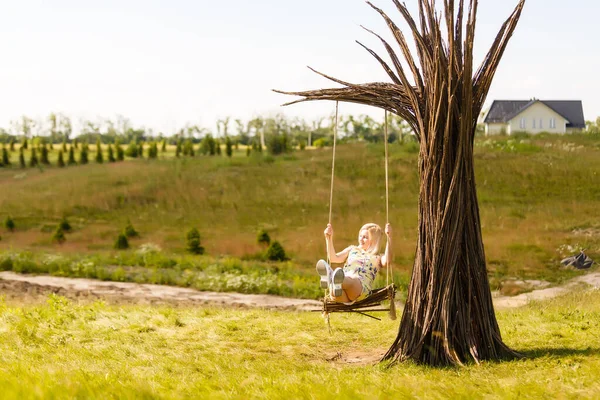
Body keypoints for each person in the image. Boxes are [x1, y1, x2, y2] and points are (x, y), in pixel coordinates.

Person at [316, 222, 392, 303]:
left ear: (374, 240)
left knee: (350, 280)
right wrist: (328, 238)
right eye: (360, 236)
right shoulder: (352, 249)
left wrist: (389, 237)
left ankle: (331, 278)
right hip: (343, 295)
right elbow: (333, 258)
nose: (361, 239)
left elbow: (387, 261)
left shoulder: (378, 257)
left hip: (359, 289)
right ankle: (334, 281)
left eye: (365, 237)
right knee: (334, 291)